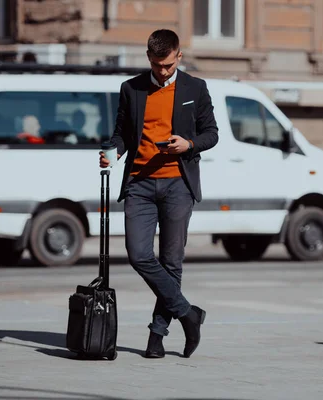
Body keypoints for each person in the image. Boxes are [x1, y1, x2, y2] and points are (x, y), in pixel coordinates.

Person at [99, 29, 219, 358]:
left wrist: (188, 144)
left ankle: (157, 336)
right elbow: (122, 132)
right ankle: (188, 314)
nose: (161, 71)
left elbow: (212, 134)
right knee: (138, 255)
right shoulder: (132, 88)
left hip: (178, 183)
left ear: (178, 56)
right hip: (139, 183)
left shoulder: (196, 88)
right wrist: (113, 151)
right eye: (155, 64)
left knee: (171, 261)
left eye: (166, 64)